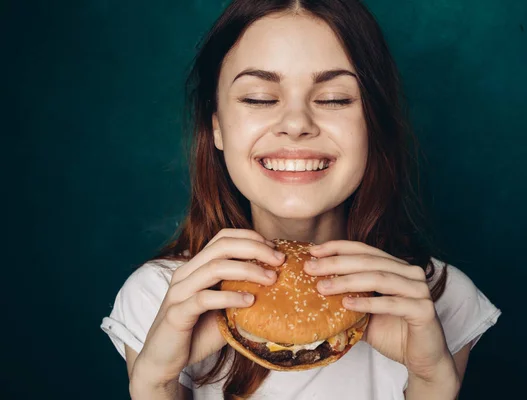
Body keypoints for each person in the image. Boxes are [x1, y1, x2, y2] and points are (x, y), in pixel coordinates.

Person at [100, 0, 501, 399]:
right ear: (217, 127)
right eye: (258, 98)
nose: (295, 124)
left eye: (333, 99)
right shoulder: (159, 296)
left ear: (373, 125)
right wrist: (154, 384)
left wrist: (433, 383)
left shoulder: (438, 298)